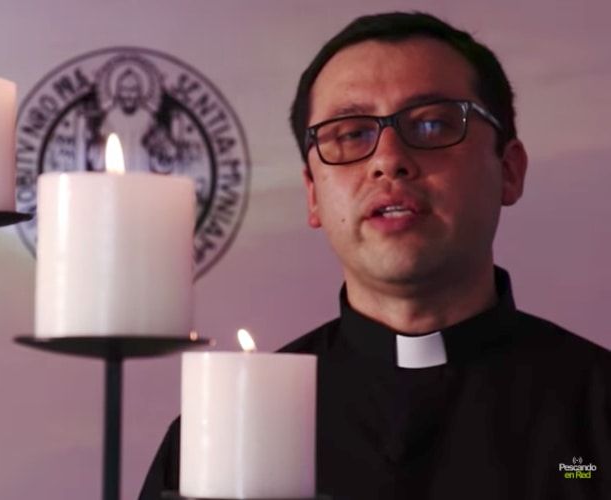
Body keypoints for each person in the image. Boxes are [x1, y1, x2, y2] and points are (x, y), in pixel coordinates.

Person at [139, 11, 610, 500]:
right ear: (313, 194)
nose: (388, 160)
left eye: (432, 124)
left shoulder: (598, 415)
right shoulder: (219, 442)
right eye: (351, 134)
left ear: (509, 171)